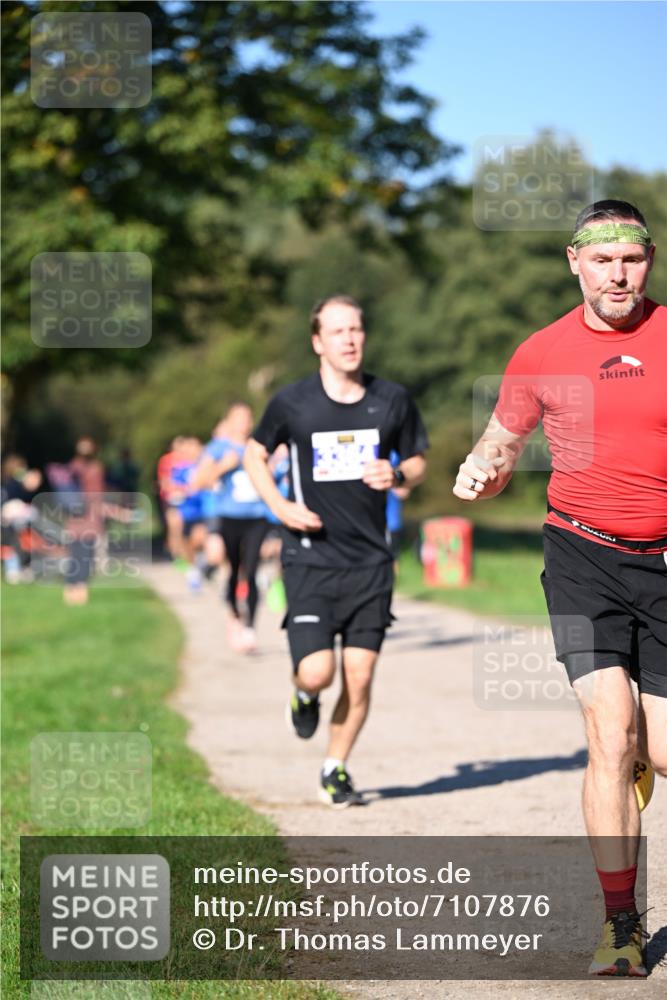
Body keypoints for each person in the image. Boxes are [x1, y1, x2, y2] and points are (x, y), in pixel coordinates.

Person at [453, 201, 666, 977]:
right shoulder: (542, 351)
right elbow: (502, 437)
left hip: (664, 563)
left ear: (647, 261)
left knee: (659, 752)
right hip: (579, 555)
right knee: (607, 733)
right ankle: (620, 926)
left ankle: (641, 755)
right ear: (574, 260)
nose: (618, 275)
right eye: (602, 260)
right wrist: (484, 469)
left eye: (631, 259)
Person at [244, 295, 428, 807]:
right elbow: (254, 454)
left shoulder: (391, 399)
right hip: (311, 558)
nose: (349, 339)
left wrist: (396, 473)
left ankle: (335, 767)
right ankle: (304, 695)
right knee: (318, 671)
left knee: (360, 676)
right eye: (337, 331)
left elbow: (418, 461)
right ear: (317, 342)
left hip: (371, 562)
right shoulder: (292, 403)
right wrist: (280, 506)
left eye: (356, 329)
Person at [193, 402, 269, 654]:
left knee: (253, 570)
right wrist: (223, 466)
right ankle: (235, 614)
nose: (243, 423)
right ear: (228, 421)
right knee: (234, 570)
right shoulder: (218, 448)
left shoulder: (259, 445)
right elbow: (198, 481)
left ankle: (250, 627)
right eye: (238, 418)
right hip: (230, 517)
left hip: (257, 516)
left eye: (247, 417)